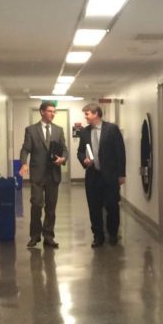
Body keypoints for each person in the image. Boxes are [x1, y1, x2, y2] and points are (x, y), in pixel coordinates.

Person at [77, 103, 126, 247]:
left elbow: (120, 152)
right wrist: (83, 160)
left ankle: (112, 234)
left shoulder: (112, 129)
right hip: (93, 176)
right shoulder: (85, 132)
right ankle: (98, 236)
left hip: (110, 176)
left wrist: (121, 174)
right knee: (94, 207)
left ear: (96, 114)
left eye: (87, 114)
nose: (85, 117)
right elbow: (80, 151)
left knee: (112, 206)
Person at [19, 101, 67, 248]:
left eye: (54, 111)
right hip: (37, 175)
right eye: (50, 111)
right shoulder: (31, 130)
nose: (53, 114)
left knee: (51, 208)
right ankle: (34, 236)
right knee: (36, 205)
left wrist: (63, 159)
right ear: (42, 112)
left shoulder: (59, 130)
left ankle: (48, 236)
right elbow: (25, 149)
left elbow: (64, 150)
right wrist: (24, 163)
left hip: (53, 174)